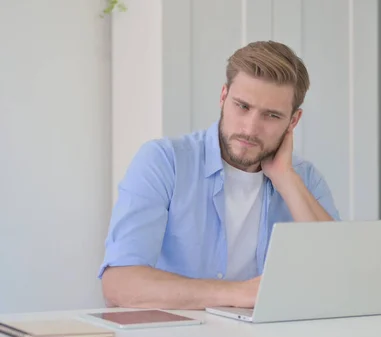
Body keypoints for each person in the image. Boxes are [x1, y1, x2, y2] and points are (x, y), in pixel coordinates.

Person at [98, 41, 340, 310]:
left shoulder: (304, 179)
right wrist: (237, 294)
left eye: (271, 116)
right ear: (223, 97)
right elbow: (119, 284)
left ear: (293, 121)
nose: (250, 128)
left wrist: (285, 179)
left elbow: (340, 277)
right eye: (242, 106)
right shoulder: (164, 161)